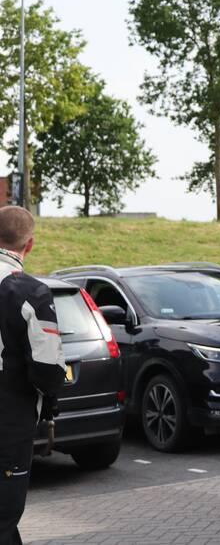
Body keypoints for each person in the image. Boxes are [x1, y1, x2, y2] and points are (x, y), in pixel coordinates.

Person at [0, 206, 65, 545]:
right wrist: (51, 399)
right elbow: (48, 368)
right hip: (9, 424)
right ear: (30, 244)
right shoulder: (29, 292)